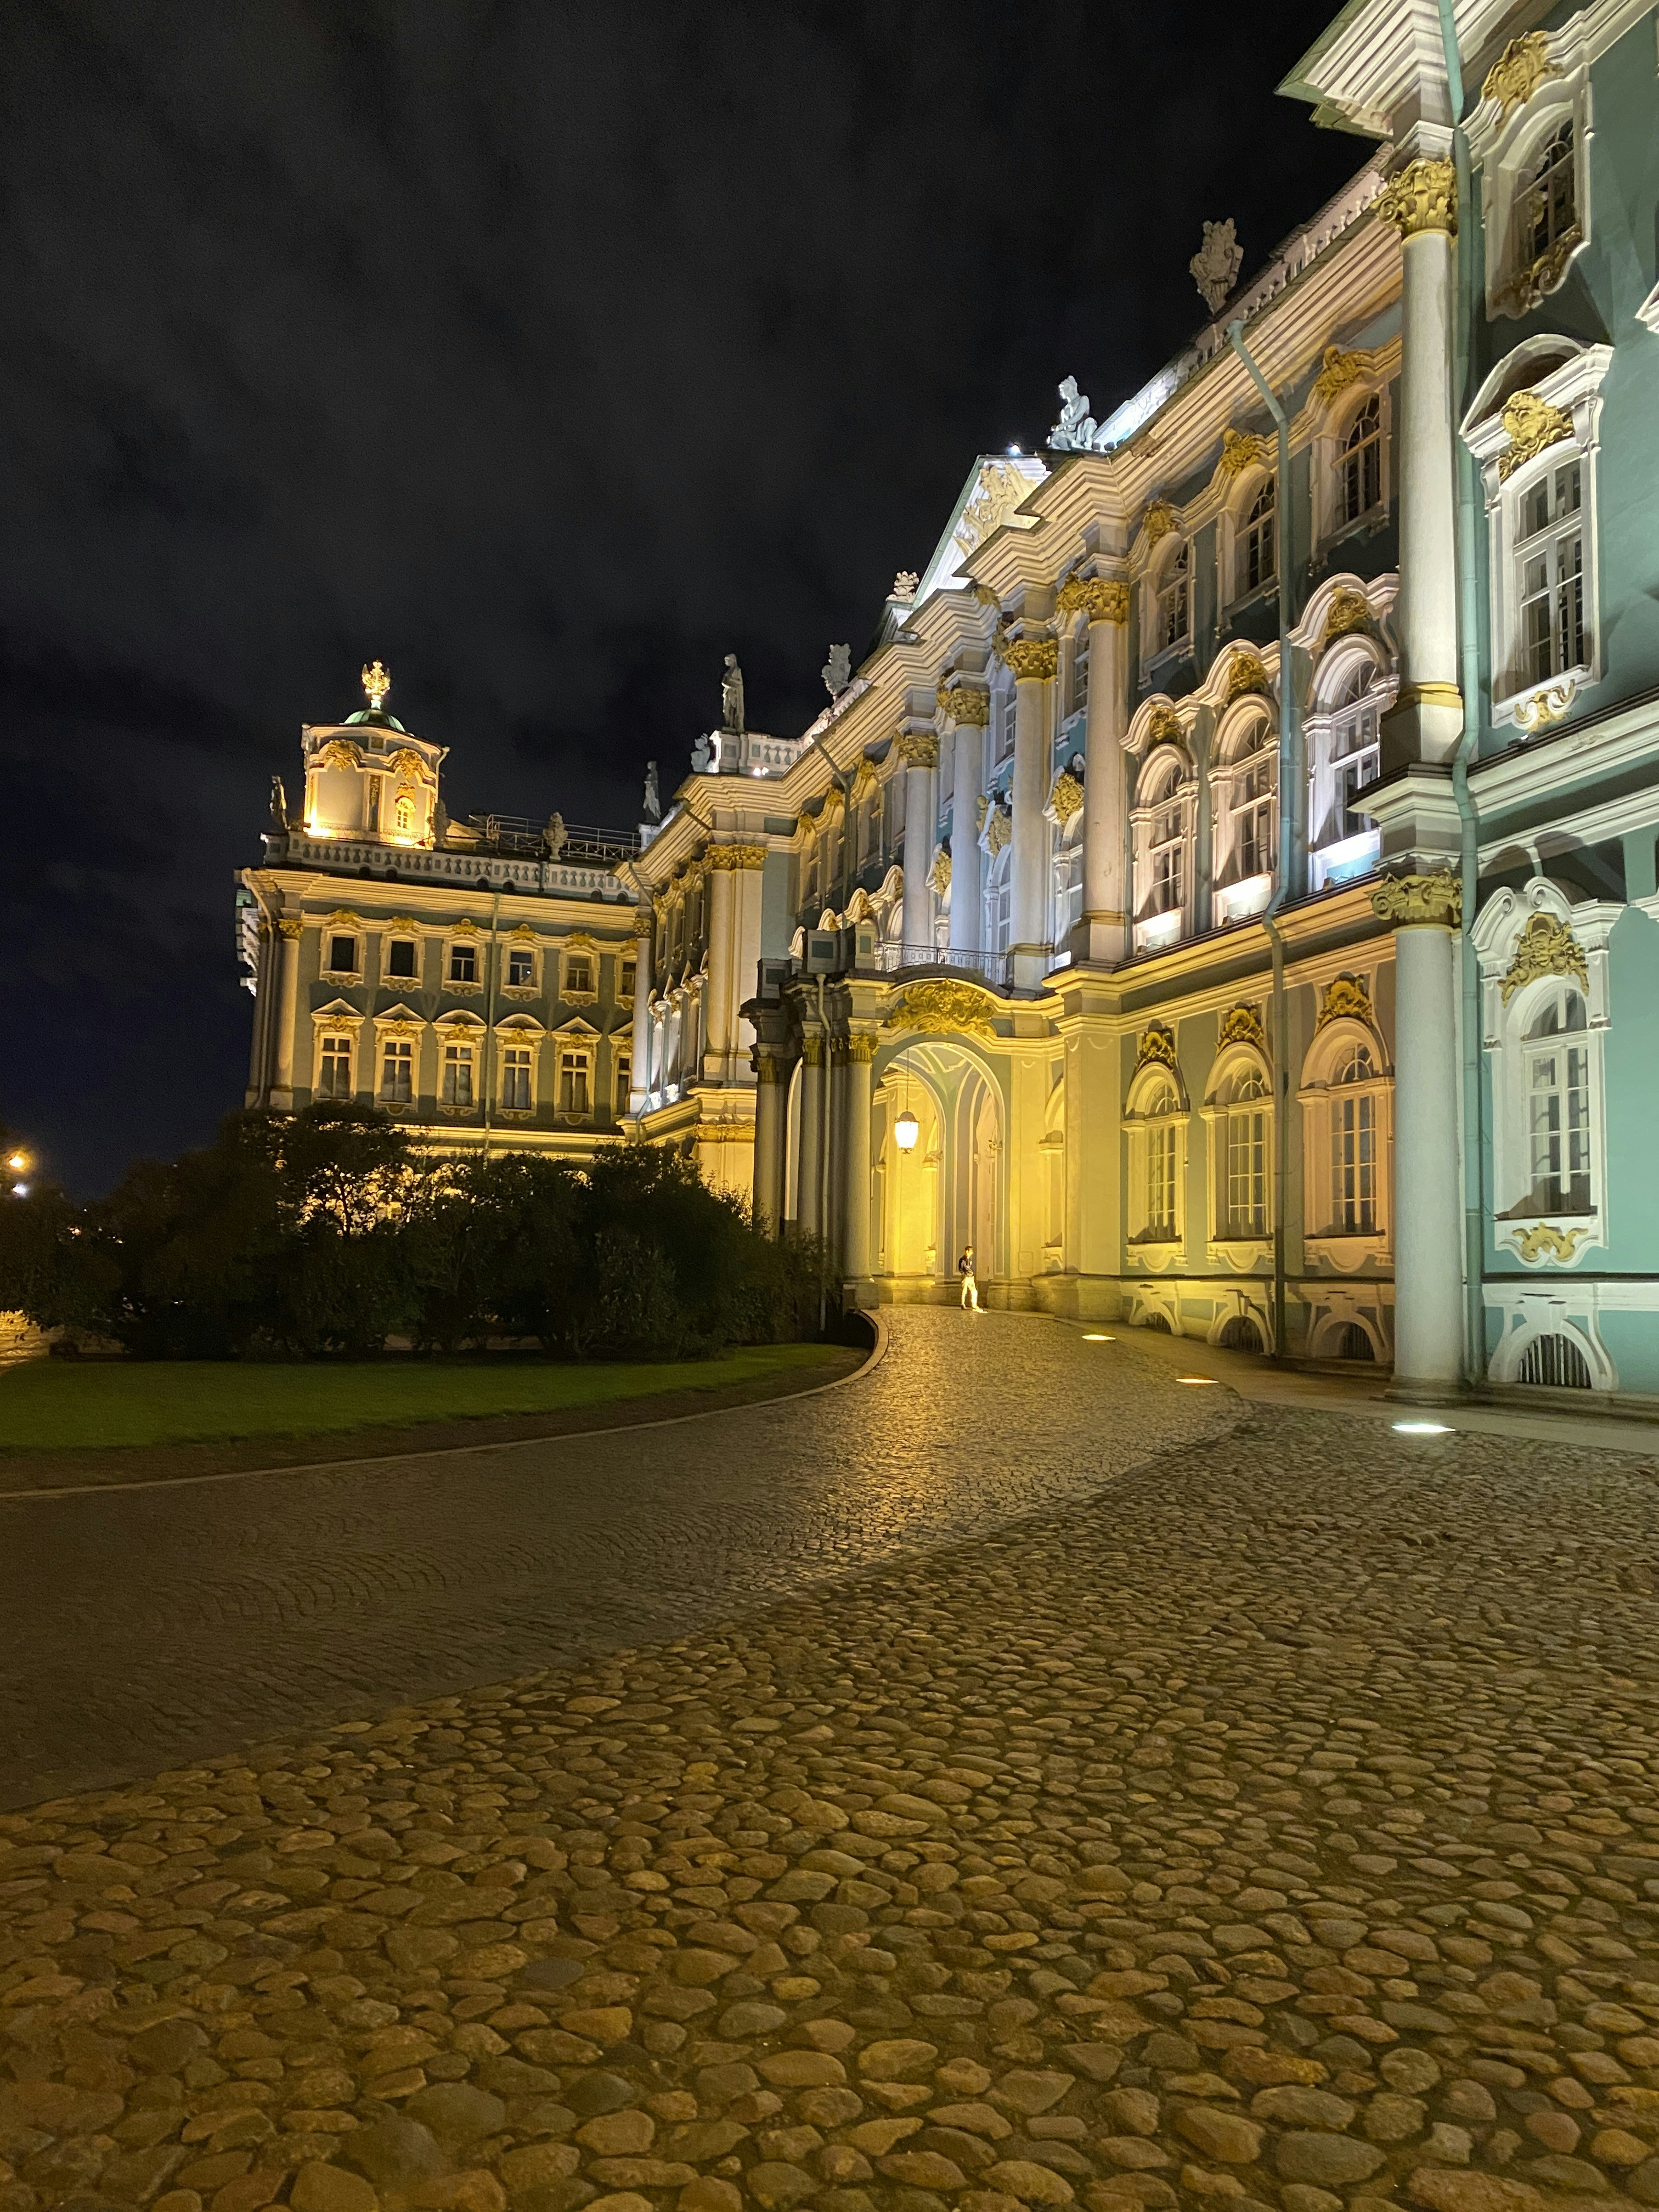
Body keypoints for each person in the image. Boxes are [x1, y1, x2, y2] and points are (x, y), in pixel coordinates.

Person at [958, 1244, 980, 1312]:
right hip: (966, 1277)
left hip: (970, 1277)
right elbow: (961, 1268)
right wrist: (964, 1275)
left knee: (974, 1291)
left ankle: (974, 1305)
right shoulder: (962, 1259)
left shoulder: (969, 1259)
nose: (972, 1253)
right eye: (971, 1251)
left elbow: (969, 1268)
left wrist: (972, 1274)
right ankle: (963, 1304)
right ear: (967, 1251)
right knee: (964, 1291)